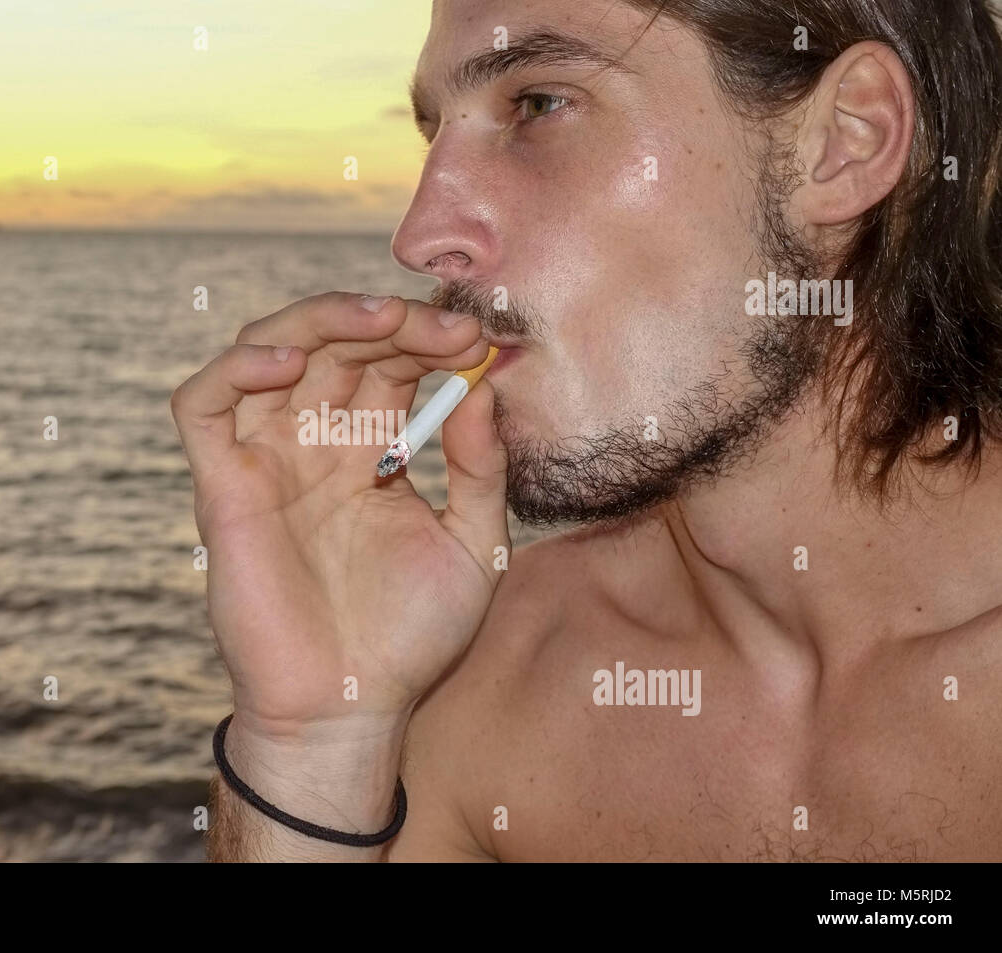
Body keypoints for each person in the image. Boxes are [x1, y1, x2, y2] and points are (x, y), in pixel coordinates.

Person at [171, 0, 1002, 861]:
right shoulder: (483, 673)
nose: (421, 237)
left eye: (537, 105)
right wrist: (315, 743)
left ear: (847, 140)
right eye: (433, 134)